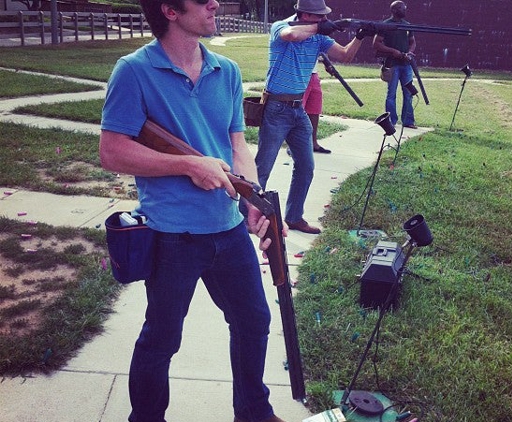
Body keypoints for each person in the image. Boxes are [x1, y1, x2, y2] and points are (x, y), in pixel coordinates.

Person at [99, 1, 285, 421]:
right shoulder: (133, 71)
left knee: (254, 322)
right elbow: (112, 151)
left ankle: (254, 412)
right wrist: (186, 163)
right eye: (203, 0)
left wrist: (252, 199)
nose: (215, 3)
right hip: (172, 235)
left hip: (228, 227)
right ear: (169, 10)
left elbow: (238, 146)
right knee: (162, 339)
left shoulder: (228, 71)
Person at [255, 0, 375, 235]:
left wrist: (360, 36)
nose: (323, 20)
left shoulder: (319, 37)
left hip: (298, 110)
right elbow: (290, 35)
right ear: (306, 15)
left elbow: (345, 55)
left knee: (306, 167)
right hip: (276, 107)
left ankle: (294, 216)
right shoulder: (281, 26)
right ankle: (247, 215)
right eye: (319, 17)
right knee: (263, 167)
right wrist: (320, 27)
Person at [373, 0, 417, 129]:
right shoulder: (385, 25)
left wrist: (409, 52)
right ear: (394, 10)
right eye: (401, 8)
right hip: (392, 64)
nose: (404, 10)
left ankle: (408, 121)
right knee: (391, 94)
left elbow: (412, 42)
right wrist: (393, 52)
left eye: (405, 8)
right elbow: (376, 44)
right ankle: (391, 121)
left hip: (406, 64)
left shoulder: (407, 25)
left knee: (408, 93)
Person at [302, 62, 330, 154]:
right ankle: (292, 146)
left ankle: (313, 143)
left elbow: (320, 48)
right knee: (298, 109)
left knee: (314, 109)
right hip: (300, 73)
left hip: (313, 74)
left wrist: (327, 63)